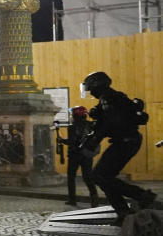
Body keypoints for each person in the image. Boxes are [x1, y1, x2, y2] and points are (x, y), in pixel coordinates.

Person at [77, 71, 156, 216]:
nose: (91, 92)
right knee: (104, 177)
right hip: (128, 141)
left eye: (91, 88)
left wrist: (94, 141)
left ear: (98, 86)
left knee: (99, 176)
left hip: (126, 142)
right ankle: (123, 211)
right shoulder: (110, 97)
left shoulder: (109, 99)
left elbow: (109, 124)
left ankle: (141, 196)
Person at [59, 106, 99, 208]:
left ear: (75, 115)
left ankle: (72, 199)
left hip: (74, 155)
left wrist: (62, 140)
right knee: (87, 177)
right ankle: (94, 198)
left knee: (71, 177)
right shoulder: (91, 125)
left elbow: (71, 142)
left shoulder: (72, 127)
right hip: (87, 155)